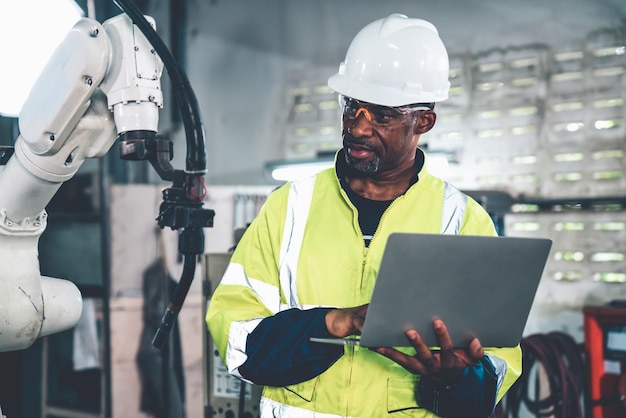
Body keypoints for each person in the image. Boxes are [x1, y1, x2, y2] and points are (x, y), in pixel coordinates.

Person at [206, 13, 521, 418]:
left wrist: (455, 379)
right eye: (352, 106)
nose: (357, 127)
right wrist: (336, 323)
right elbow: (238, 341)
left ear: (423, 120)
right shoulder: (290, 206)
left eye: (382, 114)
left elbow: (495, 371)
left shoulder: (462, 221)